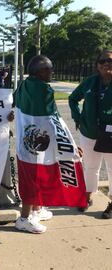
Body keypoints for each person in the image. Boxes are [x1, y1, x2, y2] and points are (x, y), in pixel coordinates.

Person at [13, 55, 57, 234]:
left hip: (25, 143)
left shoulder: (24, 85)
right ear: (41, 71)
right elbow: (53, 120)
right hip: (39, 144)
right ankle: (24, 219)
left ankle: (37, 209)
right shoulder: (44, 90)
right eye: (49, 69)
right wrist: (67, 143)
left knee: (32, 177)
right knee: (34, 178)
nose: (52, 72)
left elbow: (13, 102)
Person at [69, 49, 112, 218]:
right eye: (103, 61)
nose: (107, 64)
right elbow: (73, 99)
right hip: (89, 132)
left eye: (110, 61)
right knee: (91, 167)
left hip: (110, 134)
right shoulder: (89, 82)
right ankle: (87, 197)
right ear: (97, 65)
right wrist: (78, 117)